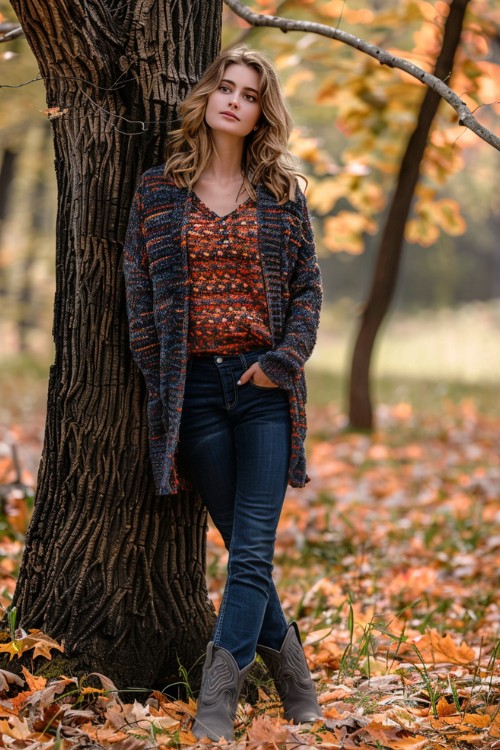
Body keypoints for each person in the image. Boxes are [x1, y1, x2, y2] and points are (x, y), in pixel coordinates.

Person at [123, 45, 323, 743]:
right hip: (196, 393)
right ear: (207, 97)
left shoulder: (281, 195)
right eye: (226, 87)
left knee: (251, 552)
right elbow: (141, 299)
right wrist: (163, 383)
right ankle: (294, 676)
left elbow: (308, 290)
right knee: (244, 548)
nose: (235, 100)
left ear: (263, 111)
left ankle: (216, 707)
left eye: (250, 93)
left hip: (263, 387)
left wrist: (283, 360)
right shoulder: (158, 190)